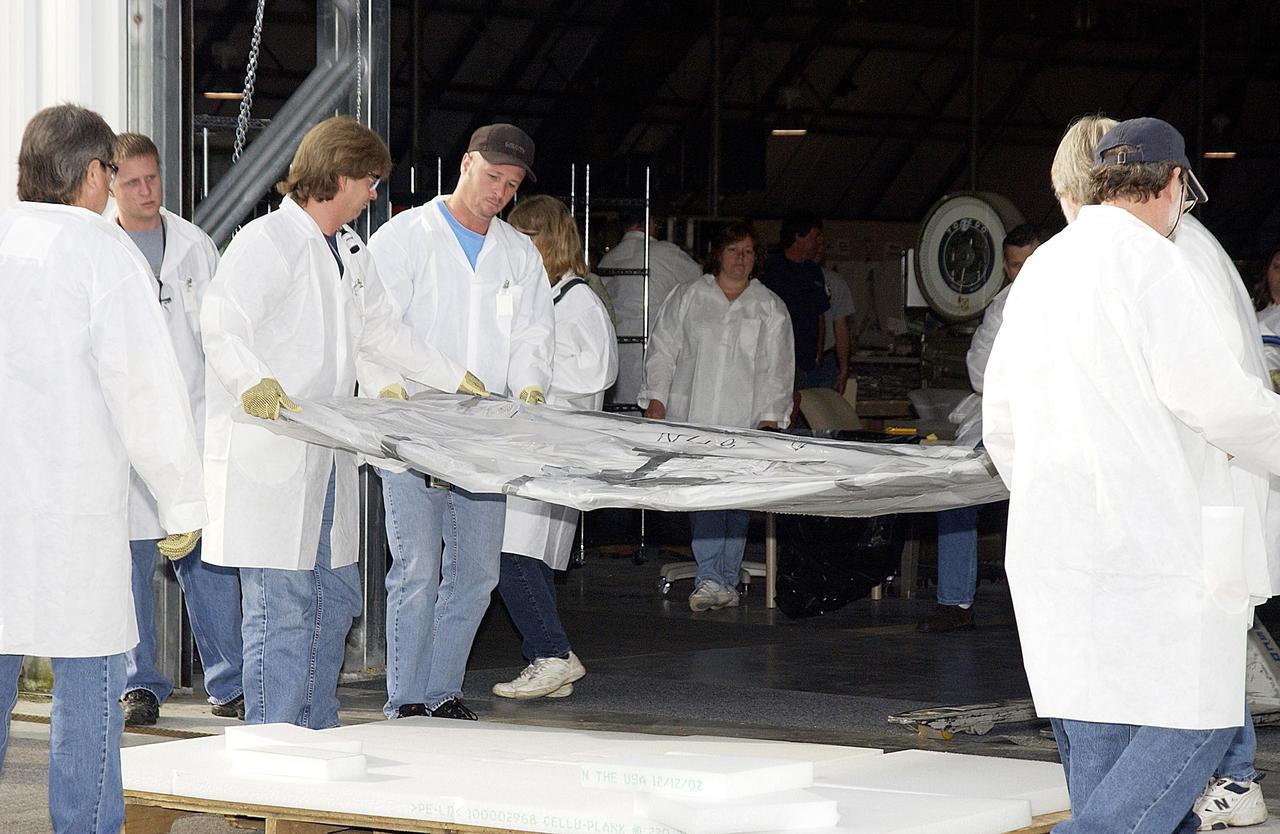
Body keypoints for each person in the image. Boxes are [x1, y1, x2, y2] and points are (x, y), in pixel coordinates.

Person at [984, 116, 1280, 834]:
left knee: (1098, 735)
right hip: (1155, 546)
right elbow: (1219, 402)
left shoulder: (1045, 267)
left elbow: (1000, 419)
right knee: (1198, 721)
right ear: (1175, 183)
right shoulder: (1156, 263)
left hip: (1057, 548)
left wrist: (1057, 495)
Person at [201, 116, 474, 729]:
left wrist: (454, 375)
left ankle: (315, 730)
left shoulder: (349, 249)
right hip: (272, 449)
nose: (375, 194)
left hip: (327, 454)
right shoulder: (266, 241)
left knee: (337, 597)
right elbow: (222, 323)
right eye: (371, 181)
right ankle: (272, 746)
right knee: (283, 606)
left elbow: (383, 330)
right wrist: (253, 382)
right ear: (340, 175)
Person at [0, 104, 205, 834]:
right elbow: (146, 391)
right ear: (95, 174)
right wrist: (183, 503)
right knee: (87, 683)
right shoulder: (101, 254)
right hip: (70, 506)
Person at [368, 123, 554, 720]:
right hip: (413, 425)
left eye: (513, 184)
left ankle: (444, 689)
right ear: (467, 163)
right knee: (418, 567)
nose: (501, 192)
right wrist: (394, 392)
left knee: (476, 572)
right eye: (494, 176)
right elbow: (373, 324)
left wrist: (530, 383)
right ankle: (406, 698)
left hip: (486, 434)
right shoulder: (404, 238)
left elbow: (533, 331)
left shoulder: (518, 252)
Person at [106, 132, 245, 726]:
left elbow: (217, 336)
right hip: (123, 437)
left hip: (190, 429)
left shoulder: (194, 245)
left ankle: (231, 680)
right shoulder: (99, 246)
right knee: (131, 564)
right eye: (132, 181)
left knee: (208, 563)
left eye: (152, 179)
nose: (145, 192)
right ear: (109, 181)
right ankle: (141, 685)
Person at [492, 195, 618, 699]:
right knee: (523, 555)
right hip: (535, 447)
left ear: (551, 240)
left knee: (513, 554)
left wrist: (523, 376)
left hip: (551, 448)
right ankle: (547, 657)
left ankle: (552, 653)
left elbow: (596, 372)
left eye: (527, 238)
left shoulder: (578, 301)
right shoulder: (546, 297)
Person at [640, 222, 794, 612]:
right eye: (733, 251)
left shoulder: (769, 306)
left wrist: (772, 417)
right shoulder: (689, 296)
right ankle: (711, 575)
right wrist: (656, 400)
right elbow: (663, 350)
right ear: (718, 255)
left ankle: (726, 575)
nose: (740, 259)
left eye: (747, 252)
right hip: (694, 414)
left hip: (746, 419)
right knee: (705, 495)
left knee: (737, 500)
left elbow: (778, 367)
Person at [919, 222, 1040, 634]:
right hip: (1001, 419)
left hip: (1057, 423)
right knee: (957, 492)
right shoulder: (1000, 307)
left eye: (1030, 262)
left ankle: (1056, 603)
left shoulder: (1075, 299)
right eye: (1015, 265)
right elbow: (979, 369)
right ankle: (954, 601)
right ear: (1005, 268)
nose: (1023, 273)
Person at [598, 209, 702, 407]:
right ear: (652, 222)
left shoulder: (608, 259)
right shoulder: (667, 253)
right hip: (653, 351)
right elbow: (703, 284)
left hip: (614, 356)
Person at [760, 212, 829, 387]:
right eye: (815, 237)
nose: (819, 242)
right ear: (799, 237)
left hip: (807, 363)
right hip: (777, 362)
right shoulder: (770, 270)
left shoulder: (814, 272)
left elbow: (820, 315)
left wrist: (818, 354)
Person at [814, 266, 854, 394]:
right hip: (798, 361)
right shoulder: (786, 276)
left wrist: (843, 369)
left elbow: (841, 327)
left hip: (826, 360)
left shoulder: (834, 281)